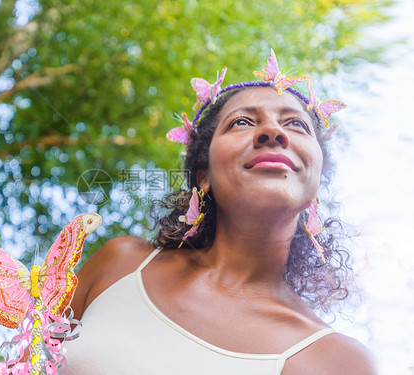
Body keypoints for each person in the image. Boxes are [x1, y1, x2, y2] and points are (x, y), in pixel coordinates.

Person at [65, 50, 377, 374]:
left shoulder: (337, 361)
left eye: (295, 123)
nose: (272, 131)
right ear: (205, 176)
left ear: (315, 178)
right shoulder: (120, 264)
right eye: (241, 121)